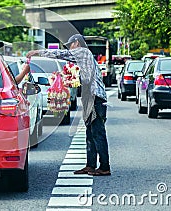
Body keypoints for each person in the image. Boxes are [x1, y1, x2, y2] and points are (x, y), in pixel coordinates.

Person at [26, 33, 111, 176]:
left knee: (97, 132)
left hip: (95, 98)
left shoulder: (83, 52)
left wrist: (37, 52)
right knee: (90, 133)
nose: (70, 48)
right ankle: (91, 165)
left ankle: (104, 167)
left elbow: (62, 54)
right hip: (91, 98)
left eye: (71, 45)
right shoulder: (85, 58)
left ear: (76, 43)